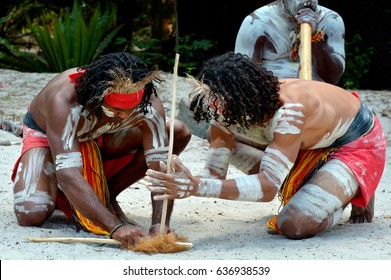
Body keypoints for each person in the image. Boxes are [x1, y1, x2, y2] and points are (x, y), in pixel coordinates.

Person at [144, 52, 386, 239]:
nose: (214, 109)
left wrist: (196, 187)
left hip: (355, 141)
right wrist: (184, 179)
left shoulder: (291, 110)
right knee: (218, 134)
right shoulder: (222, 107)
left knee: (294, 224)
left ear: (241, 98)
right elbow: (214, 175)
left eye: (219, 103)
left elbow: (268, 188)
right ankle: (320, 184)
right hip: (307, 144)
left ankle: (351, 187)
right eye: (211, 101)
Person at [11, 52, 191, 245]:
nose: (124, 117)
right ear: (100, 95)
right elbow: (68, 174)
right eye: (118, 110)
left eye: (131, 110)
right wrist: (115, 228)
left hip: (100, 134)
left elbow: (160, 168)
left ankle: (106, 195)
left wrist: (160, 223)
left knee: (176, 132)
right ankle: (59, 189)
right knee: (31, 211)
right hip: (49, 135)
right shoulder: (65, 99)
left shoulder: (148, 101)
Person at [234, 0, 345, 84]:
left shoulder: (330, 19)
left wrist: (315, 36)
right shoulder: (257, 21)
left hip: (318, 99)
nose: (308, 1)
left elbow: (333, 78)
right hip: (272, 99)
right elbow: (244, 81)